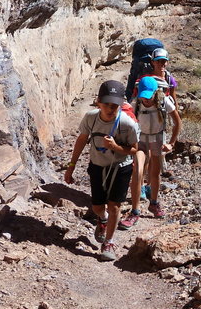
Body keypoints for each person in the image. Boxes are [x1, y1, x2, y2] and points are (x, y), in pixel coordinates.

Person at [64, 80, 139, 261]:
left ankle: (109, 242)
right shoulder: (91, 118)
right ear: (98, 102)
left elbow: (135, 149)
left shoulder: (127, 124)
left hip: (120, 168)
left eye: (115, 105)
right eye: (106, 104)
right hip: (97, 166)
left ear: (121, 104)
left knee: (115, 206)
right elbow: (82, 139)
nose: (110, 109)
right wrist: (71, 166)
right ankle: (103, 219)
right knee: (97, 206)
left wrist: (116, 147)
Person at [118, 74, 180, 228]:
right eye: (143, 96)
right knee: (138, 171)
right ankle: (135, 211)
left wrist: (171, 144)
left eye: (148, 96)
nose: (145, 99)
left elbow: (177, 122)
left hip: (158, 139)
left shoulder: (164, 102)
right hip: (141, 140)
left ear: (155, 92)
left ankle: (154, 203)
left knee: (155, 174)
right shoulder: (136, 103)